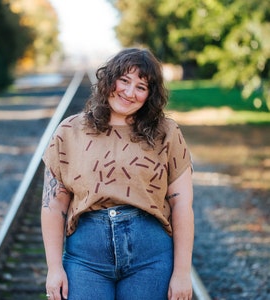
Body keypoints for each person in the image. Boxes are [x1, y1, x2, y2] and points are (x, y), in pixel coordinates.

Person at [41, 48, 194, 300]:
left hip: (151, 259)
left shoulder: (167, 132)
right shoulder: (70, 131)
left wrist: (182, 273)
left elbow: (181, 204)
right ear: (109, 79)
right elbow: (53, 204)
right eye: (124, 80)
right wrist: (54, 268)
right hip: (85, 260)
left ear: (150, 95)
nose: (129, 92)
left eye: (141, 87)